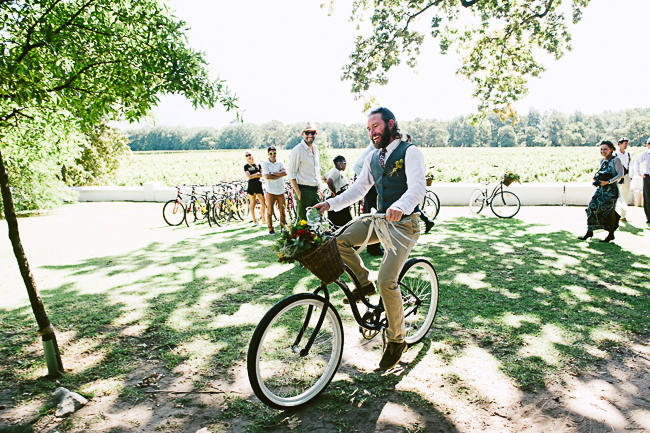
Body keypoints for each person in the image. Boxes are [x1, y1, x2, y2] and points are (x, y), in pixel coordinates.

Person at [314, 107, 425, 370]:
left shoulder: (410, 152)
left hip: (404, 223)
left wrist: (402, 205)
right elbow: (358, 189)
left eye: (375, 126)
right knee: (338, 242)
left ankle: (398, 340)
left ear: (390, 124)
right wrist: (330, 204)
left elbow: (418, 187)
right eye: (368, 129)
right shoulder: (373, 158)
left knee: (387, 280)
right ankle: (364, 284)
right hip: (379, 220)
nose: (371, 132)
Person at [579, 140, 624, 242]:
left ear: (611, 149)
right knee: (591, 207)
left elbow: (620, 174)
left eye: (605, 149)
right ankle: (589, 231)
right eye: (601, 149)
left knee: (607, 212)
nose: (603, 151)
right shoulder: (602, 161)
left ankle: (611, 234)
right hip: (601, 189)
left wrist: (608, 182)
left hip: (611, 191)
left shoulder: (616, 160)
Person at [352, 143, 384, 256]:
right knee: (374, 218)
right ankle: (372, 248)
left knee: (376, 218)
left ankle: (374, 247)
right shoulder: (372, 150)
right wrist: (372, 180)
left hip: (374, 190)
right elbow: (356, 167)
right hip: (371, 191)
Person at [288, 123, 321, 221]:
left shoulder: (315, 149)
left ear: (316, 133)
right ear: (302, 134)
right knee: (303, 222)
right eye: (307, 132)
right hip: (303, 190)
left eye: (312, 132)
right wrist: (299, 194)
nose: (310, 135)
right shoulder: (297, 150)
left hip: (315, 191)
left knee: (316, 221)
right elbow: (291, 175)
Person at [406, 134, 435, 234]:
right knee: (414, 206)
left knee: (414, 206)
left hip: (412, 185)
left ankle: (427, 221)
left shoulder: (412, 151)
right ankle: (427, 221)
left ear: (409, 140)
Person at [262, 146, 287, 234]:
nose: (273, 155)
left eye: (274, 153)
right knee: (269, 211)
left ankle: (283, 228)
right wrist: (279, 174)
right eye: (271, 153)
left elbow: (285, 173)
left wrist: (273, 174)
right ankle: (270, 229)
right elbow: (267, 177)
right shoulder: (265, 164)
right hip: (270, 191)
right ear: (268, 154)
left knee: (282, 211)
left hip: (280, 190)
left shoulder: (280, 163)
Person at [325, 155, 352, 227]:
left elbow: (324, 177)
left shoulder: (334, 171)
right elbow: (329, 181)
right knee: (342, 220)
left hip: (337, 194)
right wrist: (334, 192)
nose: (345, 165)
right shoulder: (336, 171)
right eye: (345, 163)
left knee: (338, 219)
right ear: (339, 164)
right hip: (337, 195)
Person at [244, 151, 266, 225]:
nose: (248, 156)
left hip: (258, 185)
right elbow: (249, 177)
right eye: (246, 155)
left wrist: (255, 175)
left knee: (263, 203)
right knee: (252, 204)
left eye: (249, 154)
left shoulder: (258, 164)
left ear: (252, 155)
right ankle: (254, 220)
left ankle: (263, 219)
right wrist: (256, 174)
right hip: (251, 186)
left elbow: (262, 174)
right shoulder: (246, 166)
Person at [614, 137, 632, 222]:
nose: (626, 145)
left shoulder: (628, 154)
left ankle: (623, 215)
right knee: (617, 196)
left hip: (626, 176)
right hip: (618, 177)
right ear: (619, 144)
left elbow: (630, 165)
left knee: (625, 195)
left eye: (627, 144)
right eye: (624, 143)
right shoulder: (615, 155)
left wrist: (630, 176)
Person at [634, 138, 650, 224]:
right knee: (647, 197)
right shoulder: (645, 154)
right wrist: (639, 173)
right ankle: (649, 217)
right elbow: (637, 162)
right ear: (647, 145)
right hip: (647, 177)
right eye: (649, 143)